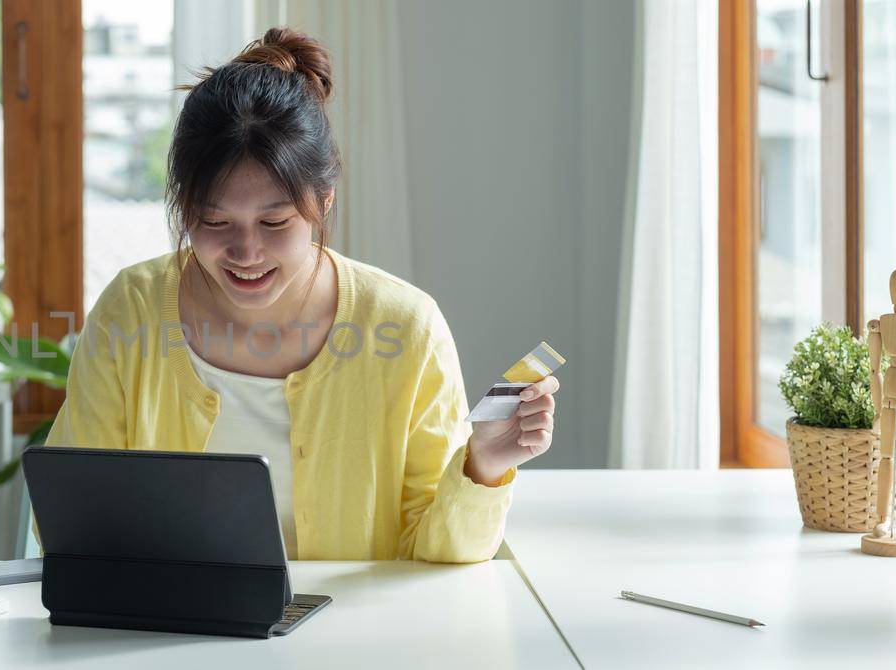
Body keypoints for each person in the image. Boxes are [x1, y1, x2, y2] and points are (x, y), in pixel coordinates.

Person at [44, 27, 559, 563]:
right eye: (215, 220)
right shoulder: (132, 308)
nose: (246, 252)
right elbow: (69, 518)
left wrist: (484, 465)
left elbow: (432, 555)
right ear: (183, 207)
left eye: (275, 221)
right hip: (169, 635)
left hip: (350, 639)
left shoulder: (407, 326)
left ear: (324, 201)